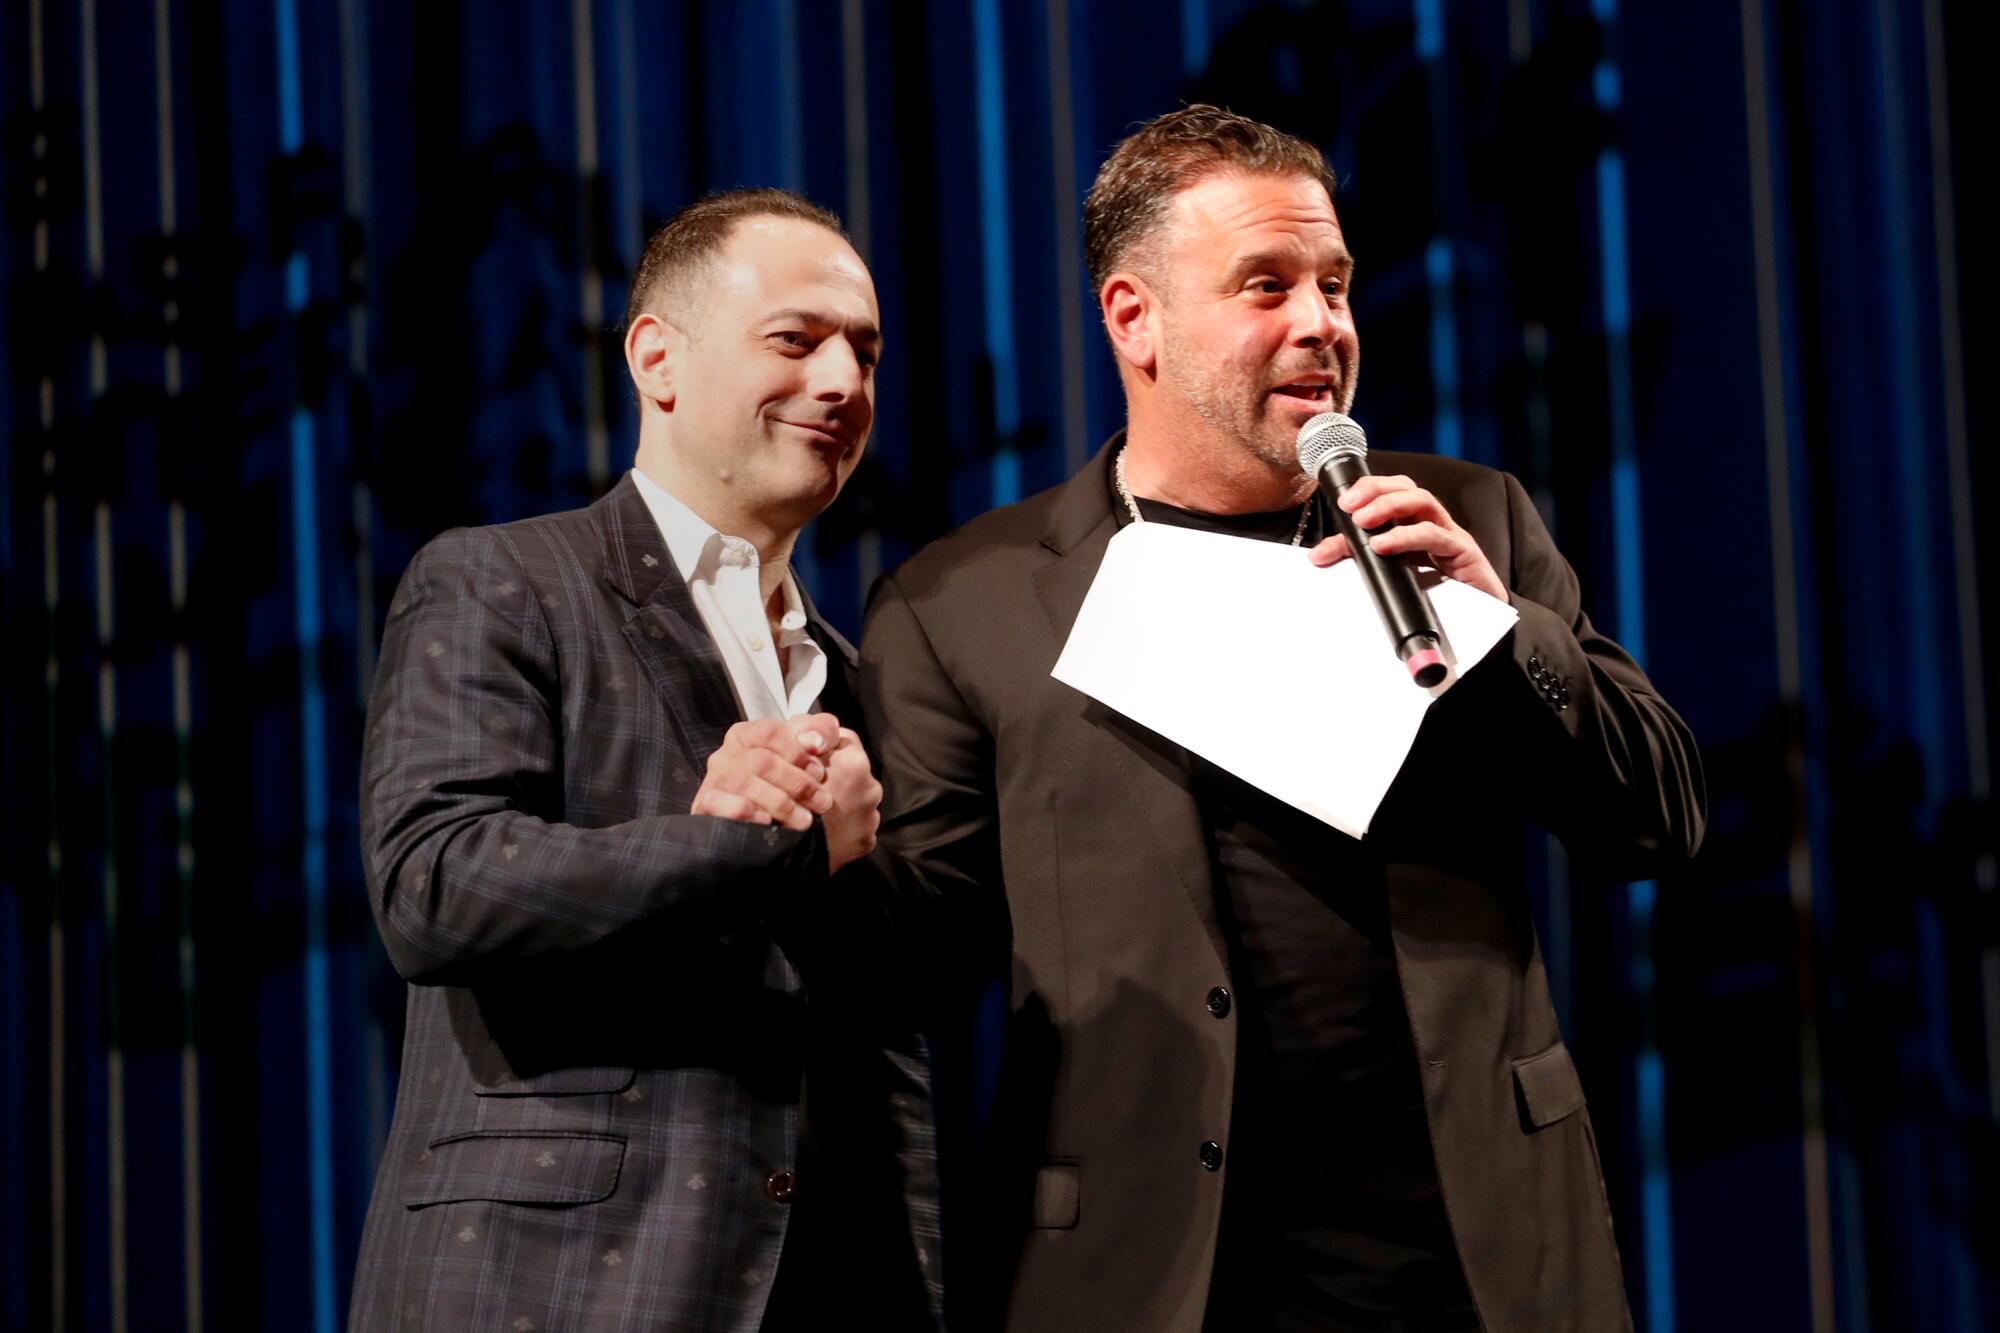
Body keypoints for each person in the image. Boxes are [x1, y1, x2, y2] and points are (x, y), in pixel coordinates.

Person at [858, 106, 1705, 1333]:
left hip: (1473, 1257)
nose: (1320, 323)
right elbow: (921, 964)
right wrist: (814, 849)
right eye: (1265, 285)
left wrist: (1502, 630)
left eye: (1334, 284)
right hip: (1154, 1272)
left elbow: (1657, 821)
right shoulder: (964, 604)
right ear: (1132, 318)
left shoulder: (1467, 519)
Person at [348, 189, 964, 1332]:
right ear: (656, 359)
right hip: (558, 1283)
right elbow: (434, 885)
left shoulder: (854, 671)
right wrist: (740, 846)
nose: (842, 381)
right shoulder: (504, 582)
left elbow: (883, 1018)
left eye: (865, 353)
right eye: (796, 340)